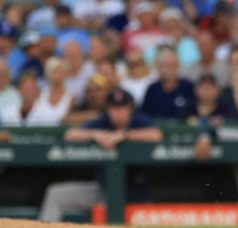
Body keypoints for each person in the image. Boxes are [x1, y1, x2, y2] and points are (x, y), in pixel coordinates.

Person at [38, 88, 163, 221]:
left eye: (122, 108)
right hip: (104, 192)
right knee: (56, 193)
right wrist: (95, 134)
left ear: (130, 108)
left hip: (136, 197)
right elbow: (70, 135)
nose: (118, 113)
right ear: (108, 109)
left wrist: (125, 135)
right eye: (114, 108)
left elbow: (157, 135)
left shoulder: (138, 121)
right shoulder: (103, 122)